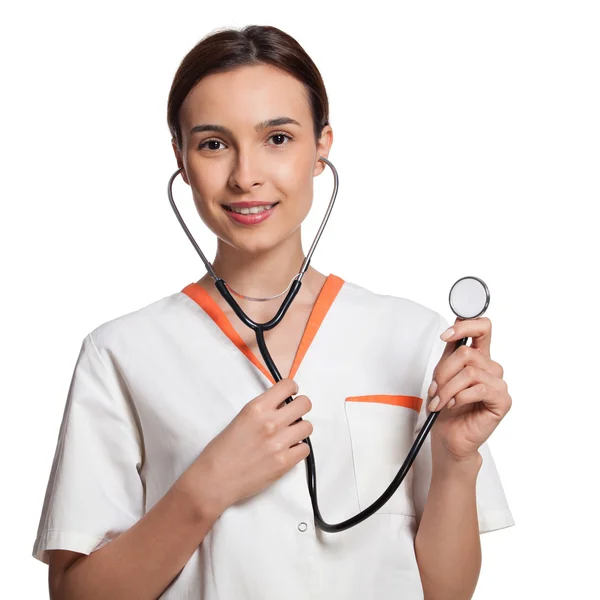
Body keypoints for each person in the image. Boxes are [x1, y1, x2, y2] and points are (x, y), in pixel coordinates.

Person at [31, 24, 515, 600]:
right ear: (181, 159)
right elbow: (75, 594)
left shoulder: (413, 337)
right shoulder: (120, 352)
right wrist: (208, 484)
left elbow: (447, 591)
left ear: (322, 147)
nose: (245, 175)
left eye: (277, 138)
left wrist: (457, 460)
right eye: (213, 143)